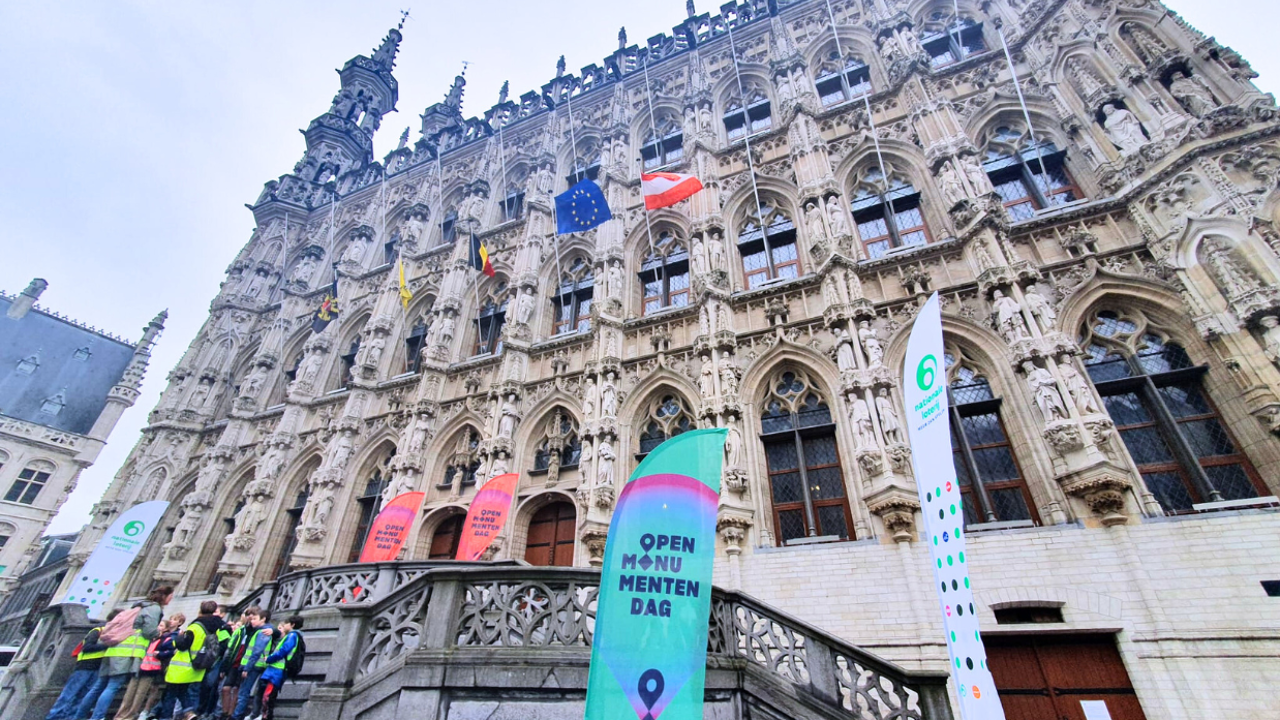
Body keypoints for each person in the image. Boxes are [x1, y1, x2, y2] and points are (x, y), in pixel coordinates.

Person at [78, 586, 170, 720]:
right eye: (170, 596)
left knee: (98, 686)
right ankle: (97, 717)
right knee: (113, 687)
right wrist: (158, 633)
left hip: (112, 649)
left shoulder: (137, 607)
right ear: (165, 596)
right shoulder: (154, 608)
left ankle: (79, 716)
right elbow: (148, 631)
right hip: (126, 653)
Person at [44, 612, 113, 720]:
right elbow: (87, 647)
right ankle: (54, 716)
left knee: (83, 696)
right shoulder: (97, 631)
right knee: (69, 693)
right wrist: (106, 645)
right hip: (84, 666)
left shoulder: (113, 633)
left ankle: (70, 717)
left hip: (97, 668)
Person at [163, 600, 225, 720]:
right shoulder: (218, 626)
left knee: (170, 694)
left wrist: (179, 637)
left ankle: (165, 717)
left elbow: (182, 644)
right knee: (183, 691)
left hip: (183, 664)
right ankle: (189, 713)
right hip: (199, 664)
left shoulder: (196, 625)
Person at [113, 614, 175, 720]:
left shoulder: (166, 639)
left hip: (150, 669)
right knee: (130, 692)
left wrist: (160, 654)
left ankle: (130, 715)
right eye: (158, 625)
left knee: (140, 694)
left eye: (161, 625)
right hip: (138, 667)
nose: (158, 627)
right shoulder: (149, 637)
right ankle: (120, 715)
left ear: (166, 629)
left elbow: (170, 651)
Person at [257, 617, 304, 720]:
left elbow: (283, 651)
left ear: (292, 625)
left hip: (277, 670)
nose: (284, 626)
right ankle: (265, 715)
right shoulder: (292, 636)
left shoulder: (292, 636)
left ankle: (267, 717)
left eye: (286, 624)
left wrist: (269, 658)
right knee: (267, 695)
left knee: (268, 697)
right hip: (275, 670)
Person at [231, 608, 274, 720]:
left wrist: (247, 668)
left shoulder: (262, 632)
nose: (252, 621)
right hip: (255, 665)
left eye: (255, 619)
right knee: (246, 691)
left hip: (254, 665)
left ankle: (236, 716)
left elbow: (256, 651)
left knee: (244, 692)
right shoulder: (259, 631)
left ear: (263, 619)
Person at [146, 614, 186, 720]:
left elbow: (174, 650)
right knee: (160, 689)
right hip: (157, 663)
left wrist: (161, 653)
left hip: (168, 664)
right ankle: (155, 711)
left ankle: (155, 711)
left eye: (175, 619)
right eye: (171, 619)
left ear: (180, 623)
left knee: (167, 691)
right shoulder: (164, 634)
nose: (171, 621)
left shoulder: (178, 635)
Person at [196, 605, 233, 717]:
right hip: (208, 661)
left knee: (209, 686)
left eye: (216, 612)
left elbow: (222, 646)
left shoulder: (222, 628)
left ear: (222, 615)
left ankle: (205, 711)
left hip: (214, 661)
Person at [217, 618, 248, 720]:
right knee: (225, 689)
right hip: (233, 664)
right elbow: (230, 650)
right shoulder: (240, 632)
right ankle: (225, 712)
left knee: (236, 690)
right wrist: (224, 667)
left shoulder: (253, 632)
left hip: (242, 665)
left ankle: (230, 714)